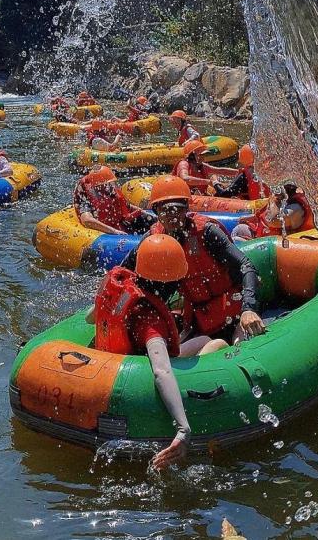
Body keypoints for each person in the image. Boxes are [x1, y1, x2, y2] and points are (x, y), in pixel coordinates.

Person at [89, 234, 193, 470]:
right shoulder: (150, 319)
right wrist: (183, 428)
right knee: (210, 342)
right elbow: (161, 370)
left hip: (107, 363)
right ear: (171, 283)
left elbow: (91, 317)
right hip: (134, 372)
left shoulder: (123, 287)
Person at [144, 175, 264, 351]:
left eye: (177, 209)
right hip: (200, 320)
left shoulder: (207, 232)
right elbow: (132, 276)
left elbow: (246, 266)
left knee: (242, 346)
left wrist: (249, 308)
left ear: (186, 208)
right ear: (156, 213)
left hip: (235, 312)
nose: (172, 216)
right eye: (164, 210)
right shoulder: (154, 241)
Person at [73, 166, 156, 236]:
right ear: (96, 185)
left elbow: (127, 207)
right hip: (107, 230)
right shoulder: (85, 195)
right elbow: (87, 220)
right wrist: (114, 231)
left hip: (122, 223)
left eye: (109, 183)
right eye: (105, 184)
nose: (108, 186)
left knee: (151, 221)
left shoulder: (109, 188)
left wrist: (145, 213)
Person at [172, 140, 237, 193]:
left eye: (204, 155)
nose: (203, 157)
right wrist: (208, 181)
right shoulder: (183, 164)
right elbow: (185, 178)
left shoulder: (201, 166)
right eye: (201, 155)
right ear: (192, 156)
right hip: (185, 196)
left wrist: (240, 172)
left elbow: (220, 170)